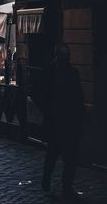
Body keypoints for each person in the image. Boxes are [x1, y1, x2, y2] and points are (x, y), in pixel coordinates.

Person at [41, 44, 85, 201]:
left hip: (67, 121)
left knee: (69, 157)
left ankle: (65, 186)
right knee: (54, 154)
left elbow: (79, 98)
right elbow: (42, 95)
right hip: (57, 121)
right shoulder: (51, 73)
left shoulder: (71, 73)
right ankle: (48, 179)